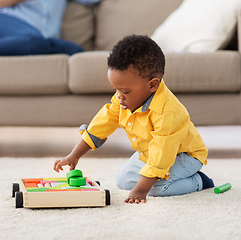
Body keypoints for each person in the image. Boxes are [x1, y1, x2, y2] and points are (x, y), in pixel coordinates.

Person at [54, 35, 214, 204]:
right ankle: (167, 180)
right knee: (123, 181)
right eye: (116, 90)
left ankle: (199, 181)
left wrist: (140, 191)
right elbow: (101, 125)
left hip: (184, 155)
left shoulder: (168, 113)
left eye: (125, 91)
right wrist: (74, 156)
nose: (119, 97)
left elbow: (162, 155)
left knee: (154, 189)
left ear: (152, 85)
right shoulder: (122, 98)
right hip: (150, 152)